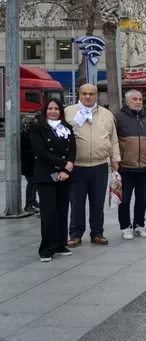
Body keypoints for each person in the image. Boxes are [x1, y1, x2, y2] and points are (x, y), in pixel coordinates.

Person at [65, 83, 120, 247]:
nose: (87, 97)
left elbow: (113, 139)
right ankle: (75, 234)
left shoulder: (106, 114)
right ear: (79, 95)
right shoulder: (68, 113)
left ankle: (97, 233)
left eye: (91, 94)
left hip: (100, 165)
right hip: (77, 166)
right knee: (76, 202)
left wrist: (115, 158)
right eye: (84, 94)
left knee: (97, 202)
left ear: (96, 96)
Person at [29, 100, 76, 261]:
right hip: (45, 175)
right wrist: (64, 164)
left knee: (62, 212)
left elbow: (72, 150)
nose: (53, 111)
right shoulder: (37, 129)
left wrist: (66, 169)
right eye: (50, 108)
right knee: (49, 213)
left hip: (64, 176)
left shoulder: (67, 128)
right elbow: (40, 152)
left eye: (56, 108)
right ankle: (47, 248)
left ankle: (60, 244)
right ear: (45, 111)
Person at [115, 90, 146, 240]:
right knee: (125, 199)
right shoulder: (118, 117)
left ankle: (139, 225)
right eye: (134, 99)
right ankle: (125, 227)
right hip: (126, 167)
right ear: (127, 101)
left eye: (140, 99)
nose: (138, 101)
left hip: (144, 167)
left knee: (142, 199)